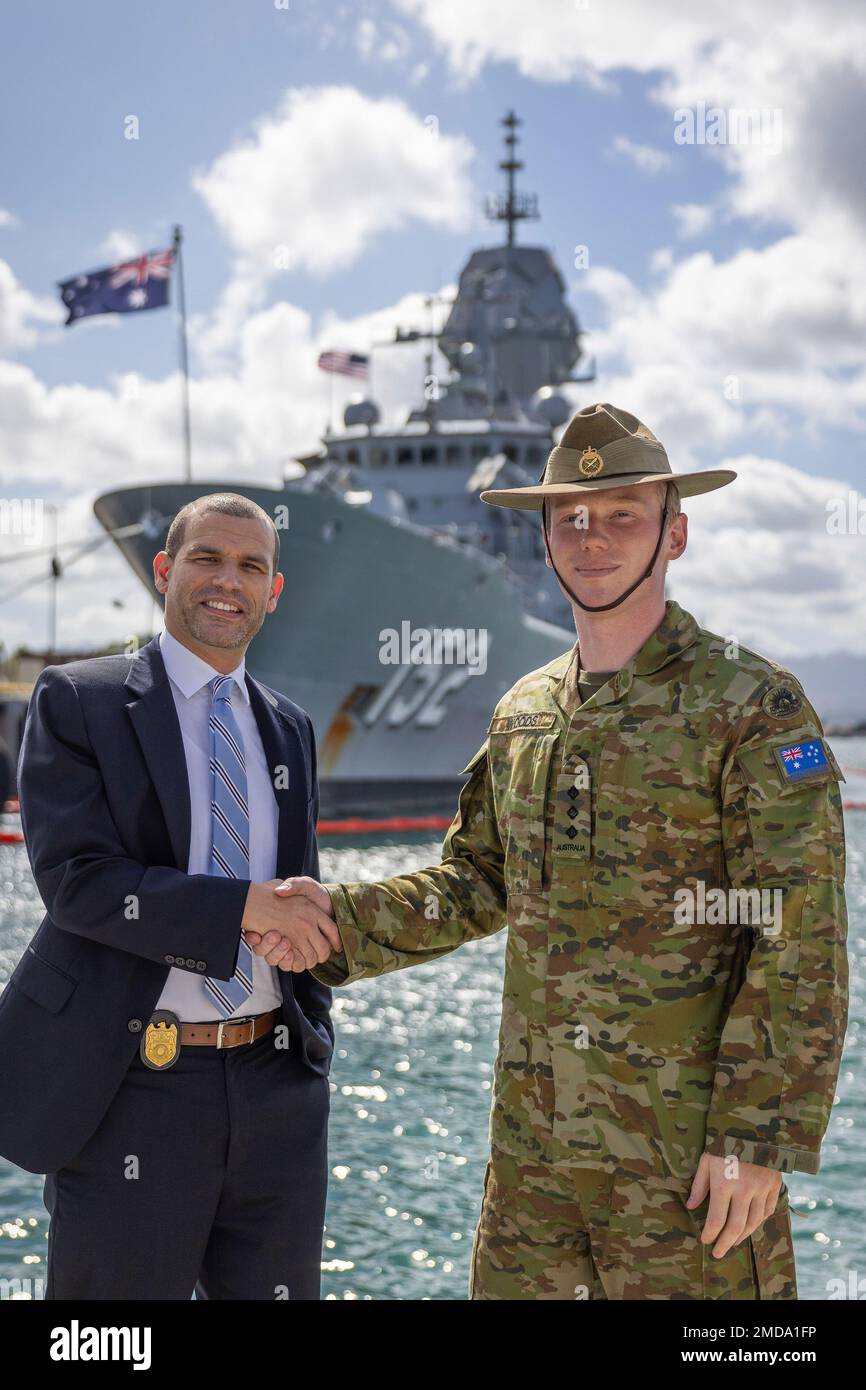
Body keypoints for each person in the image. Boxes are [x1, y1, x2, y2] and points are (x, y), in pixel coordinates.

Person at [249, 403, 850, 1301]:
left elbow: (797, 934)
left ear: (673, 534)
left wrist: (755, 1140)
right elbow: (476, 882)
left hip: (686, 1167)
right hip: (534, 1172)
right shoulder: (525, 711)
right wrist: (339, 920)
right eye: (569, 517)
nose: (591, 536)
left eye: (621, 515)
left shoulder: (751, 706)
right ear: (543, 539)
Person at [0, 493, 340, 1300]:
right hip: (129, 1084)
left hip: (275, 1086)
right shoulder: (77, 700)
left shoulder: (288, 725)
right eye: (207, 559)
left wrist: (312, 1009)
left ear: (274, 591)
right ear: (164, 571)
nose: (229, 581)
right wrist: (246, 910)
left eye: (251, 566)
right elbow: (78, 884)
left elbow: (298, 886)